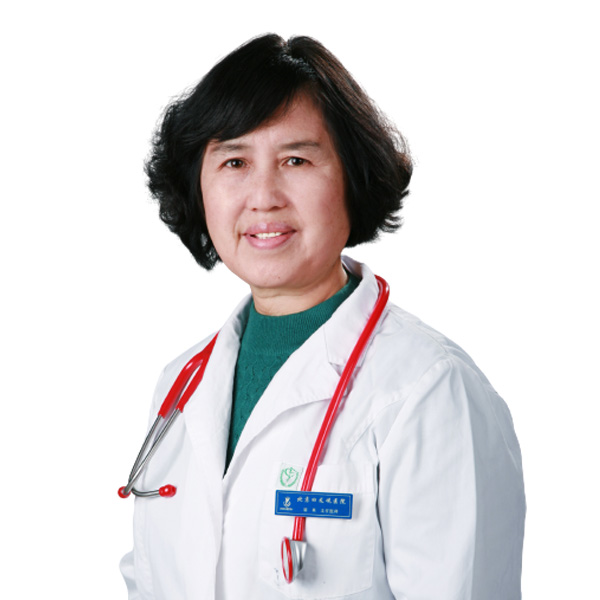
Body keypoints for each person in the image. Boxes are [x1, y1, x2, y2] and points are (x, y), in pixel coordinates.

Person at [119, 34, 525, 599]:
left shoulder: (429, 389)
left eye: (296, 160)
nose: (263, 196)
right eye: (234, 161)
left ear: (351, 178)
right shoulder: (180, 387)